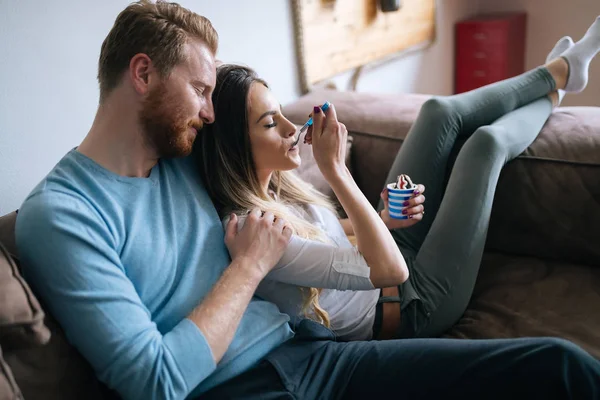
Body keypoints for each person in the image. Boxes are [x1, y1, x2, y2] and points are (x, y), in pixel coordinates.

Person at [13, 0, 600, 398]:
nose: (210, 112)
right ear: (142, 75)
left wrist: (370, 206)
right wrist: (248, 266)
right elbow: (156, 381)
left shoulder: (184, 159)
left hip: (310, 350)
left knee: (559, 364)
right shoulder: (64, 215)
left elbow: (280, 185)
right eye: (199, 90)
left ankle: (556, 76)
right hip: (255, 385)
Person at [196, 27, 596, 343]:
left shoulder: (280, 185)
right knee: (485, 147)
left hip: (390, 251)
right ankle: (557, 83)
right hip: (408, 305)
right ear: (234, 146)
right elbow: (389, 270)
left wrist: (383, 219)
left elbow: (333, 236)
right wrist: (336, 170)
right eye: (270, 124)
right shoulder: (257, 235)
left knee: (438, 113)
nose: (289, 128)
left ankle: (558, 76)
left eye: (282, 113)